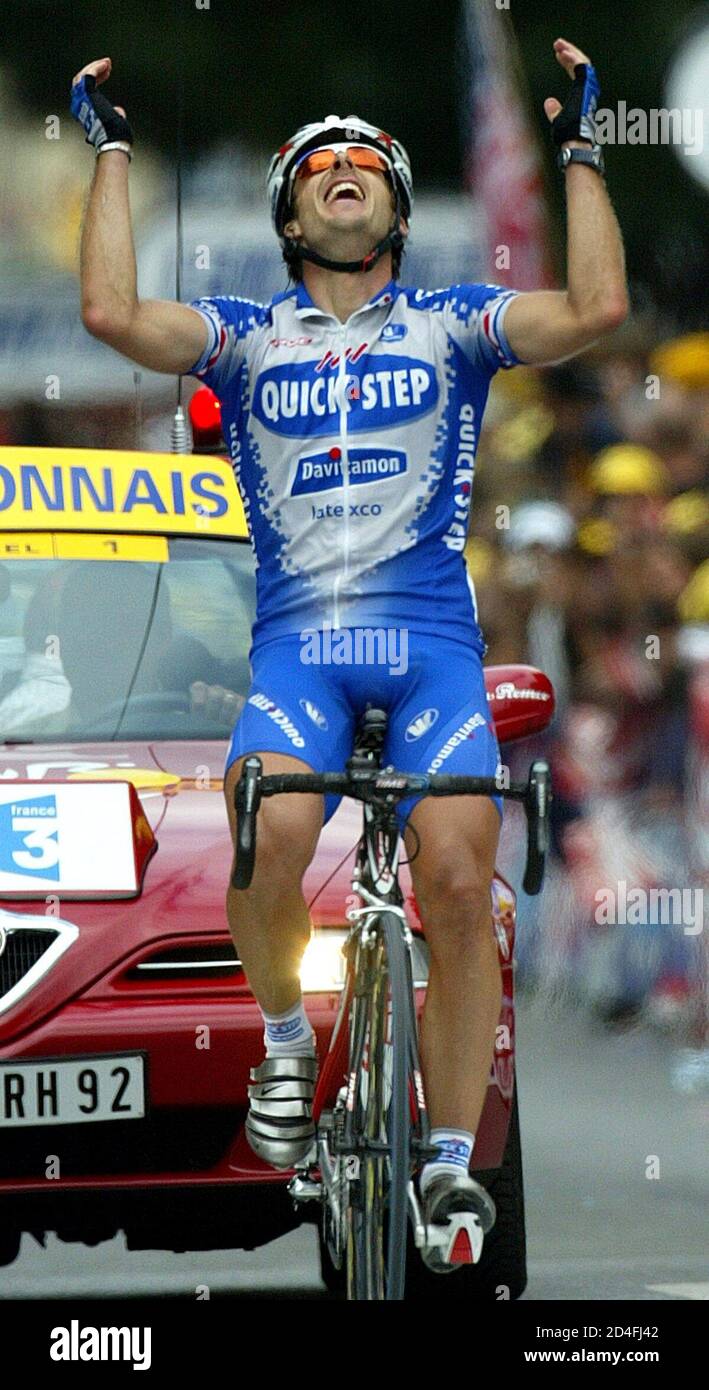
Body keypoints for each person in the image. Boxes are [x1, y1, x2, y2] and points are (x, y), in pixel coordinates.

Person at [71, 37, 628, 1271]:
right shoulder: (239, 338)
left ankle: (447, 1163)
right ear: (287, 212)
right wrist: (109, 153)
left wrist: (583, 157)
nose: (341, 171)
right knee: (268, 821)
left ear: (395, 208)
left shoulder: (456, 324)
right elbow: (108, 313)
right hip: (299, 652)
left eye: (363, 164)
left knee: (454, 873)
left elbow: (595, 311)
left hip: (431, 647)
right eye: (317, 165)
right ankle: (280, 1038)